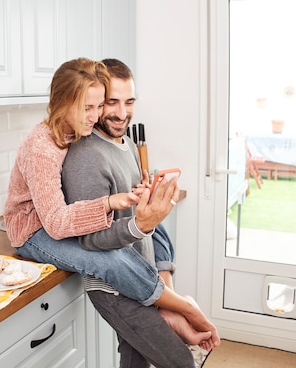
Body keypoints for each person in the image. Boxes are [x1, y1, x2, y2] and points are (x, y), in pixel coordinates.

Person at [3, 57, 211, 341]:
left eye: (99, 106)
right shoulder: (42, 146)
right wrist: (108, 203)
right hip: (34, 231)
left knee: (154, 224)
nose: (95, 115)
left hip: (59, 215)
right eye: (87, 108)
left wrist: (137, 200)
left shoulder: (75, 128)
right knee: (109, 259)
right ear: (63, 103)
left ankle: (167, 293)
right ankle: (179, 306)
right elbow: (55, 223)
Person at [62, 58, 219, 367]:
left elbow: (144, 222)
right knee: (180, 363)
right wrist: (142, 223)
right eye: (112, 103)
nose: (122, 114)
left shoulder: (127, 144)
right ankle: (179, 307)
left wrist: (163, 286)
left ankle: (174, 305)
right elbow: (90, 240)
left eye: (129, 102)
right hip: (115, 287)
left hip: (142, 275)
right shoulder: (85, 156)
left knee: (136, 361)